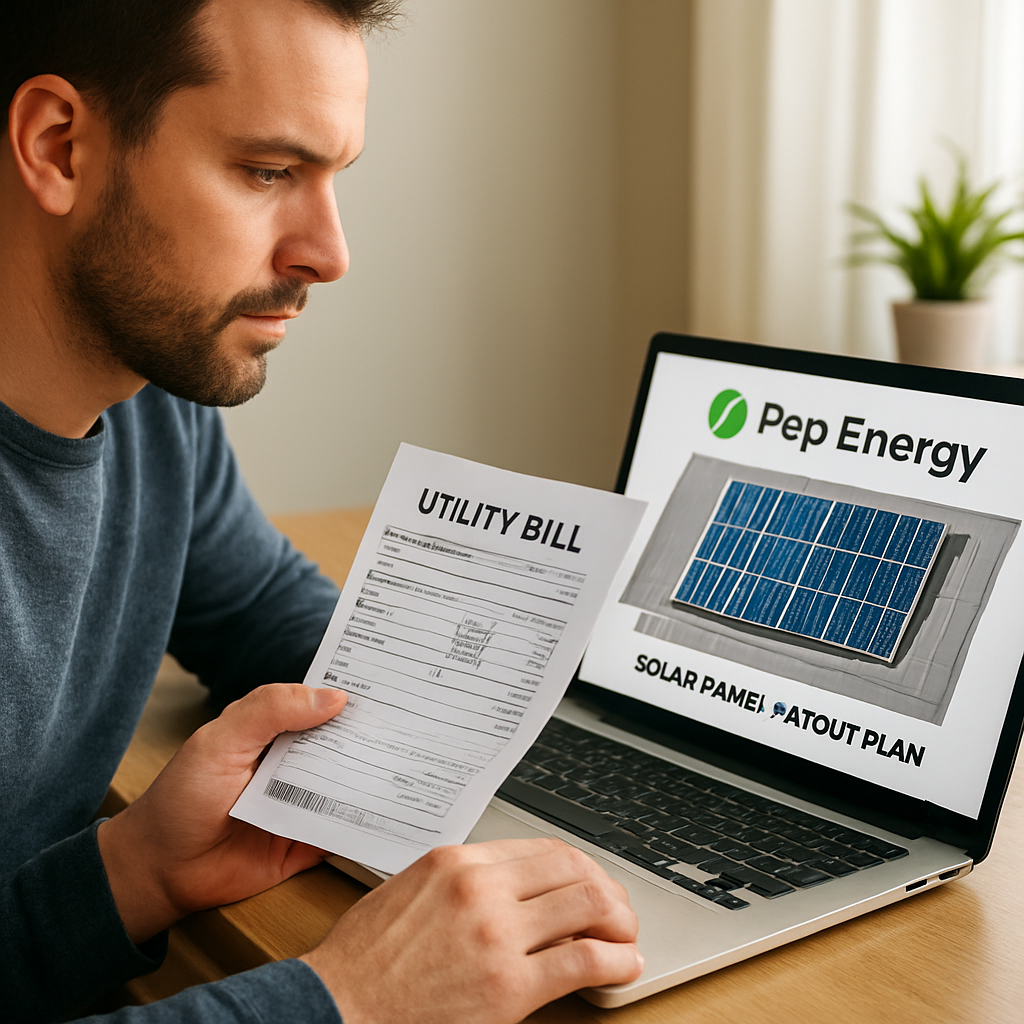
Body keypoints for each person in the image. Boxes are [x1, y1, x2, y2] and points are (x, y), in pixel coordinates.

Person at [0, 2, 644, 1022]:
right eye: (267, 172)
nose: (329, 252)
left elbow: (261, 608)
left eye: (333, 175)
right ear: (59, 147)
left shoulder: (149, 404)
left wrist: (130, 873)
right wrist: (354, 998)